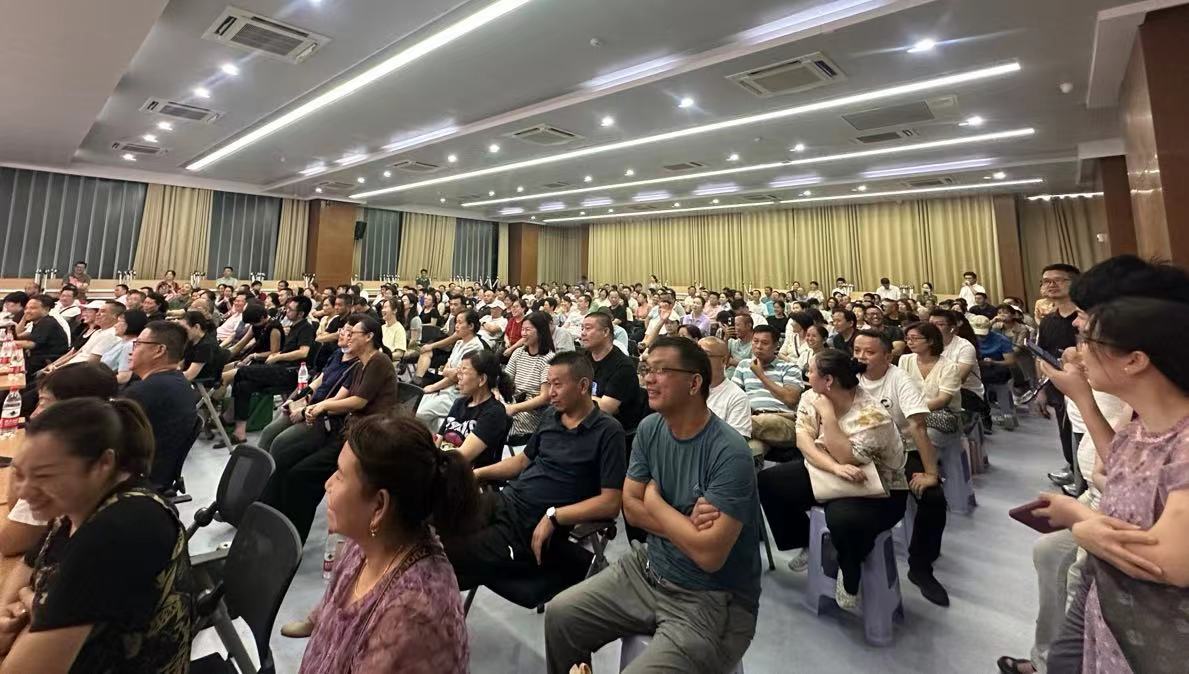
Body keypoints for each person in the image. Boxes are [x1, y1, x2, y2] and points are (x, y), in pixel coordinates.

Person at [545, 337, 759, 674]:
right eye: (647, 369)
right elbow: (630, 508)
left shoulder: (729, 452)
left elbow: (709, 555)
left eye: (661, 370)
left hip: (711, 597)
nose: (648, 378)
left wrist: (655, 502)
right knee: (561, 616)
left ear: (694, 383)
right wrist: (687, 526)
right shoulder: (650, 428)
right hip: (649, 568)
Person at [0, 398, 192, 671]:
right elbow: (27, 563)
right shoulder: (77, 502)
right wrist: (10, 611)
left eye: (44, 476)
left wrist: (33, 609)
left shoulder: (118, 529)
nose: (23, 491)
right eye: (20, 474)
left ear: (103, 463)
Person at [295, 415, 475, 673]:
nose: (328, 483)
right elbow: (335, 601)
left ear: (379, 505)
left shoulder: (413, 613)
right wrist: (317, 620)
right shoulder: (367, 541)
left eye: (340, 476)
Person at [442, 351, 625, 599]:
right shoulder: (551, 416)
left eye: (557, 385)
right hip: (505, 502)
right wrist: (475, 474)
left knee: (446, 554)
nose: (550, 393)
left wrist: (554, 516)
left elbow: (611, 503)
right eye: (549, 384)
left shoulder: (608, 432)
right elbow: (521, 462)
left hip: (528, 525)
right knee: (434, 527)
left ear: (583, 386)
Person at [757, 349, 908, 609]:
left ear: (828, 380)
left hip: (878, 488)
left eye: (811, 371)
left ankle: (849, 572)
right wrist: (834, 468)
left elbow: (848, 457)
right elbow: (804, 441)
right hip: (830, 472)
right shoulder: (811, 396)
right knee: (769, 482)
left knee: (841, 518)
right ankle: (805, 541)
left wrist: (827, 416)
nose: (806, 375)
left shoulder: (872, 416)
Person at [265, 315, 397, 542]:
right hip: (348, 431)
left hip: (364, 439)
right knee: (288, 461)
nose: (347, 336)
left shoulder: (378, 361)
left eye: (353, 333)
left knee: (301, 476)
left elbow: (359, 402)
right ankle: (273, 519)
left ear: (369, 337)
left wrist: (322, 406)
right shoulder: (361, 363)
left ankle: (290, 539)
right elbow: (340, 397)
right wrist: (314, 407)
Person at [853, 329, 949, 605]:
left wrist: (931, 473)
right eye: (857, 351)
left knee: (933, 497)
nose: (861, 357)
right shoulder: (850, 376)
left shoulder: (899, 379)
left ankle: (920, 566)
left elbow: (918, 425)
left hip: (900, 449)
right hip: (858, 450)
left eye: (869, 352)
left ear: (887, 356)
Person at [0, 362, 119, 558]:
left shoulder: (62, 468)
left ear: (70, 409)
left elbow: (8, 543)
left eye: (43, 403)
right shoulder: (108, 443)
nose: (34, 414)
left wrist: (23, 457)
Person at [122, 320, 199, 489]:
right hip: (160, 474)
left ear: (159, 350)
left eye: (138, 344)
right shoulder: (180, 383)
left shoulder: (144, 392)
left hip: (136, 478)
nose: (131, 350)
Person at [1034, 263, 1083, 491]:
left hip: (1085, 388)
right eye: (1046, 281)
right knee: (1065, 431)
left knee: (1083, 435)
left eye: (1058, 280)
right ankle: (1073, 468)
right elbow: (1041, 356)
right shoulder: (1048, 321)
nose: (1050, 285)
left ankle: (1083, 477)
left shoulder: (1085, 319)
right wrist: (1041, 390)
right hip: (1056, 386)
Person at [732, 325, 803, 460]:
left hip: (781, 420)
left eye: (764, 343)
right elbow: (734, 397)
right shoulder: (744, 365)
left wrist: (761, 375)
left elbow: (791, 399)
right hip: (754, 421)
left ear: (776, 346)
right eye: (755, 341)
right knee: (750, 452)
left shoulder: (789, 368)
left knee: (733, 425)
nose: (758, 346)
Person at [437, 350, 512, 468]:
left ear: (482, 379)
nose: (458, 377)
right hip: (444, 465)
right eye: (459, 371)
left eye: (464, 372)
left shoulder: (494, 413)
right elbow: (439, 439)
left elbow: (462, 457)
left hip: (466, 473)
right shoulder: (459, 403)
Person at [415, 310, 485, 433]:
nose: (456, 326)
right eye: (455, 322)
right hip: (445, 389)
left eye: (460, 322)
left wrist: (434, 386)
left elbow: (457, 376)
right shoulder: (459, 343)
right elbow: (447, 368)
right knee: (416, 405)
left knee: (419, 413)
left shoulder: (475, 347)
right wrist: (449, 372)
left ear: (471, 326)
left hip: (458, 395)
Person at [580, 311, 645, 433]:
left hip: (613, 429)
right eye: (582, 328)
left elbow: (606, 408)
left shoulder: (623, 366)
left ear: (605, 332)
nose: (583, 333)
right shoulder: (585, 357)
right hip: (586, 418)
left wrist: (575, 396)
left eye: (588, 328)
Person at [502, 311, 555, 441]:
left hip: (530, 415)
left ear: (540, 332)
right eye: (522, 329)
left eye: (528, 330)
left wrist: (514, 408)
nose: (523, 333)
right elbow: (504, 381)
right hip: (510, 405)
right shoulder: (518, 353)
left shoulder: (548, 359)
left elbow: (545, 397)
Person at [39, 300, 123, 373]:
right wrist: (55, 366)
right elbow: (77, 353)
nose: (98, 314)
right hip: (70, 368)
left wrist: (58, 370)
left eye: (103, 311)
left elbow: (91, 363)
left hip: (79, 373)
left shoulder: (110, 334)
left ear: (115, 316)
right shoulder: (97, 332)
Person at [698, 336, 752, 438]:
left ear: (724, 360)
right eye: (696, 354)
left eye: (705, 355)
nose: (697, 360)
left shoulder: (737, 397)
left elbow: (737, 441)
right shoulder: (685, 390)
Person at [14, 295, 69, 378]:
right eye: (26, 308)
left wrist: (8, 344)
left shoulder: (47, 323)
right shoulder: (39, 322)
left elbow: (31, 344)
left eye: (33, 308)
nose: (27, 311)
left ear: (46, 309)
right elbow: (19, 336)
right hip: (38, 361)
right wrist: (25, 317)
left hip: (47, 365)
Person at [100, 308, 147, 385]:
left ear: (130, 324)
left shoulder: (130, 345)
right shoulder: (122, 342)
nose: (115, 325)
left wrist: (98, 382)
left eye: (119, 322)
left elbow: (124, 377)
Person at [180, 311, 221, 382]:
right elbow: (182, 363)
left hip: (199, 383)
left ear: (196, 327)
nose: (182, 332)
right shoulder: (192, 340)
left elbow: (189, 375)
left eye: (185, 329)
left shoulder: (206, 346)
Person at [725, 313, 754, 380]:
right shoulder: (731, 342)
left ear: (748, 326)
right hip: (727, 379)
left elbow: (754, 368)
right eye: (734, 325)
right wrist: (726, 339)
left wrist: (733, 362)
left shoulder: (756, 345)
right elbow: (724, 362)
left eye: (737, 325)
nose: (735, 328)